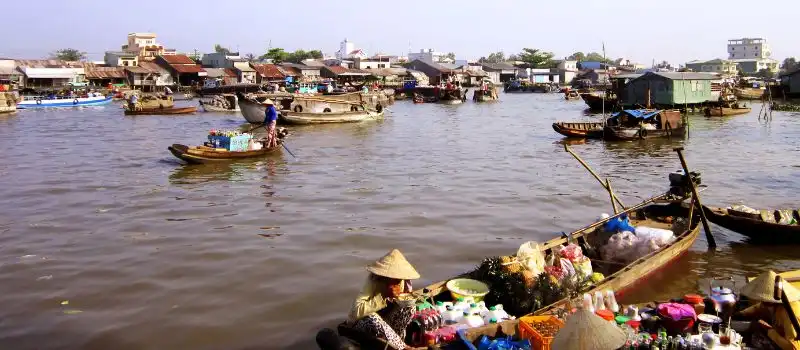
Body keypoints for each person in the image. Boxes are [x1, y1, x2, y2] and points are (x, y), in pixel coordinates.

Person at [348, 249, 419, 350]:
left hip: (386, 322)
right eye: (393, 278)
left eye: (398, 279)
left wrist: (401, 298)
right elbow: (356, 312)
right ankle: (402, 347)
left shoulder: (403, 281)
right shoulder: (373, 281)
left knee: (410, 307)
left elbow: (402, 303)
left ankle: (396, 341)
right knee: (372, 317)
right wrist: (384, 297)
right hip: (363, 323)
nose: (397, 282)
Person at [737, 270, 800, 350]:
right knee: (755, 324)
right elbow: (759, 307)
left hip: (788, 345)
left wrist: (770, 331)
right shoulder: (770, 304)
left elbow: (793, 347)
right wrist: (742, 313)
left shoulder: (790, 312)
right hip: (778, 333)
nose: (761, 301)